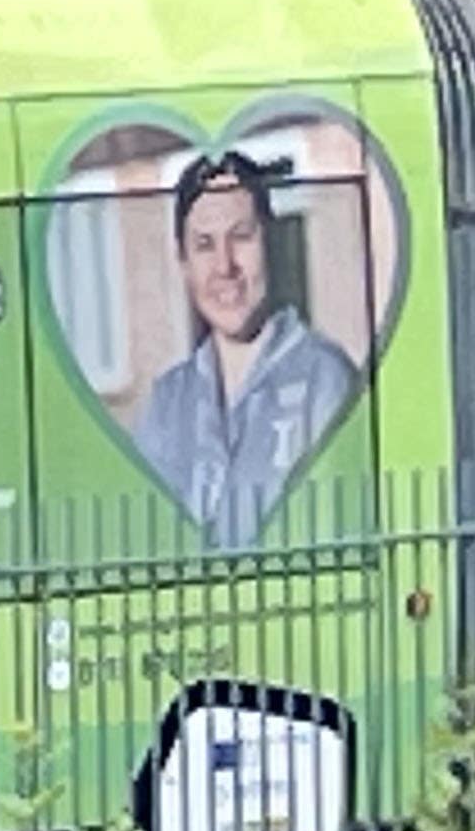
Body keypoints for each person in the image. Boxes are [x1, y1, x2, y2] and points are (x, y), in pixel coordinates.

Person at [133, 151, 365, 552]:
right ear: (183, 262)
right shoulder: (167, 403)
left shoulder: (325, 380)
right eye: (204, 245)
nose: (225, 266)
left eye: (241, 237)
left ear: (270, 240)